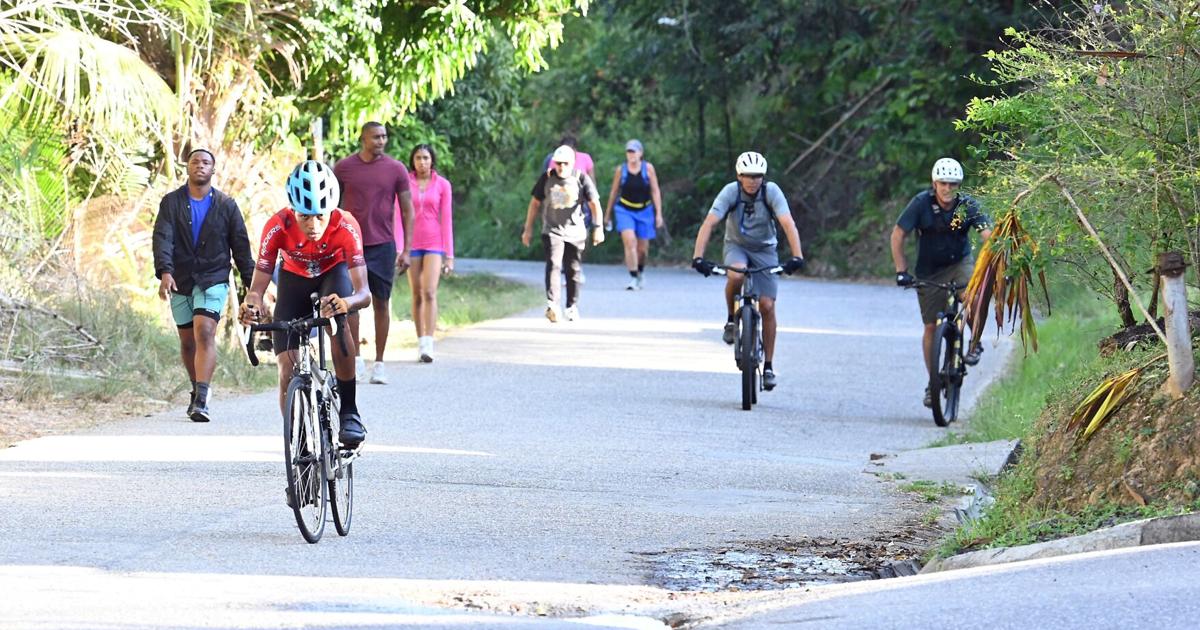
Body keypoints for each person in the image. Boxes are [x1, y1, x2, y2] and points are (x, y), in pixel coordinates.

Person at [239, 160, 371, 448]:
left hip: (332, 274)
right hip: (293, 278)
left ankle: (350, 412)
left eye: (320, 216)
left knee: (337, 325)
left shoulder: (346, 225)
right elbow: (257, 288)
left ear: (332, 210)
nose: (313, 225)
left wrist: (345, 303)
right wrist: (251, 304)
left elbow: (364, 294)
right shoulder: (277, 226)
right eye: (304, 216)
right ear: (292, 210)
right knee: (287, 365)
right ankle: (297, 439)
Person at [152, 148, 255, 423]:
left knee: (205, 331)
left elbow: (242, 249)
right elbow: (162, 238)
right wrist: (165, 271)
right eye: (195, 161)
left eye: (206, 162)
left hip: (213, 277)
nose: (200, 165)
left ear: (213, 169)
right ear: (187, 167)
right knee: (187, 342)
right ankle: (197, 387)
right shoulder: (171, 203)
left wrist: (253, 290)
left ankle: (201, 399)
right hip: (181, 279)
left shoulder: (226, 205)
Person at [691, 151, 805, 391]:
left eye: (757, 176)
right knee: (736, 274)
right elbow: (710, 222)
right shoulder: (730, 192)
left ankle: (770, 366)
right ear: (739, 176)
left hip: (765, 249)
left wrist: (797, 256)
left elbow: (787, 223)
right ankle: (732, 320)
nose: (753, 181)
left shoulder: (771, 191)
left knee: (767, 306)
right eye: (748, 176)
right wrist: (698, 257)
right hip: (737, 246)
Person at [891, 157, 992, 408]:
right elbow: (898, 234)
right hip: (929, 272)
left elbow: (988, 236)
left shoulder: (967, 205)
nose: (948, 189)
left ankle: (974, 342)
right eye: (943, 183)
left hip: (960, 264)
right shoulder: (921, 203)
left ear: (959, 185)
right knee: (930, 329)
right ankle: (933, 382)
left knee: (972, 296)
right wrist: (901, 270)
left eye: (953, 184)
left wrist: (992, 267)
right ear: (934, 183)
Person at [334, 121, 414, 385]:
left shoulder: (396, 169)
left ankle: (379, 362)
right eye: (376, 137)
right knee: (352, 303)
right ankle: (355, 358)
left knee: (381, 302)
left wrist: (406, 249)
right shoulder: (344, 168)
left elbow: (407, 210)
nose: (381, 141)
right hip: (350, 244)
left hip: (383, 245)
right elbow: (332, 206)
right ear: (363, 139)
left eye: (384, 136)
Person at [521, 144, 605, 322]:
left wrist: (598, 228)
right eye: (558, 163)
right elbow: (535, 204)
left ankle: (571, 306)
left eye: (565, 163)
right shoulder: (546, 178)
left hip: (575, 231)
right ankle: (552, 305)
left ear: (572, 163)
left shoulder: (580, 178)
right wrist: (528, 229)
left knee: (572, 269)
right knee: (554, 264)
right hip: (552, 230)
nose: (561, 167)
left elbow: (595, 204)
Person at [405, 143, 454, 363]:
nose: (422, 162)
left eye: (426, 157)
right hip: (411, 243)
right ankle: (420, 340)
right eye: (418, 158)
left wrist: (449, 255)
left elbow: (447, 219)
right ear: (412, 161)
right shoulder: (405, 182)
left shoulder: (442, 185)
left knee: (429, 291)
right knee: (416, 292)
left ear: (432, 160)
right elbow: (399, 215)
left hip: (434, 243)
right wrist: (400, 248)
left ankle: (429, 342)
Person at [603, 139, 664, 290]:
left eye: (634, 151)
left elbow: (655, 191)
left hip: (645, 210)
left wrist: (659, 214)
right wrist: (607, 214)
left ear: (640, 153)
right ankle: (633, 276)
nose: (631, 155)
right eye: (628, 152)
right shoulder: (621, 170)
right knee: (630, 242)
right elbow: (614, 192)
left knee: (642, 249)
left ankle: (640, 271)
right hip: (624, 210)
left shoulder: (648, 169)